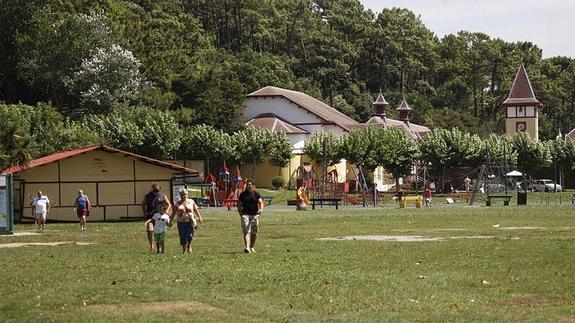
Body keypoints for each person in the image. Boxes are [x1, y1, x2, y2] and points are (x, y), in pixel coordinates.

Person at [142, 183, 172, 252]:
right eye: (155, 190)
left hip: (160, 216)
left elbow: (169, 204)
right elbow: (143, 204)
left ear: (160, 189)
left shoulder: (163, 196)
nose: (156, 192)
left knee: (160, 232)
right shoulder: (147, 196)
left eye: (157, 190)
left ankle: (160, 247)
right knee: (150, 230)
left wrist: (166, 211)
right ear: (152, 189)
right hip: (150, 216)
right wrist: (144, 213)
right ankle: (151, 246)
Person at [172, 189, 203, 253]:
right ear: (180, 195)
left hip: (190, 221)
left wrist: (199, 217)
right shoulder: (177, 203)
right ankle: (184, 250)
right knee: (182, 236)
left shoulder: (191, 201)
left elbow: (195, 210)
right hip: (181, 222)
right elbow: (173, 213)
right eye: (182, 195)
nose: (183, 196)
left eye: (185, 194)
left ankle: (189, 245)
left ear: (187, 194)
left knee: (190, 235)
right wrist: (170, 220)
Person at [237, 179, 264, 253]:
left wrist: (261, 209)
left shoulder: (256, 193)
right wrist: (241, 214)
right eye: (247, 184)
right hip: (245, 215)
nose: (248, 186)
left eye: (249, 184)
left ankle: (251, 247)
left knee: (254, 233)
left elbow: (261, 202)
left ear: (253, 185)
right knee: (246, 231)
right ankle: (247, 247)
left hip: (255, 215)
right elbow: (239, 205)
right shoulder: (242, 194)